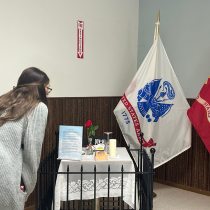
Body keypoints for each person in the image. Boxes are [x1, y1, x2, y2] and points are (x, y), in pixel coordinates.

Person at [0, 67, 51, 210]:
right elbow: (32, 154)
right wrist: (26, 186)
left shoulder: (3, 101)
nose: (48, 92)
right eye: (47, 87)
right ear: (37, 88)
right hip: (6, 178)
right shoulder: (38, 107)